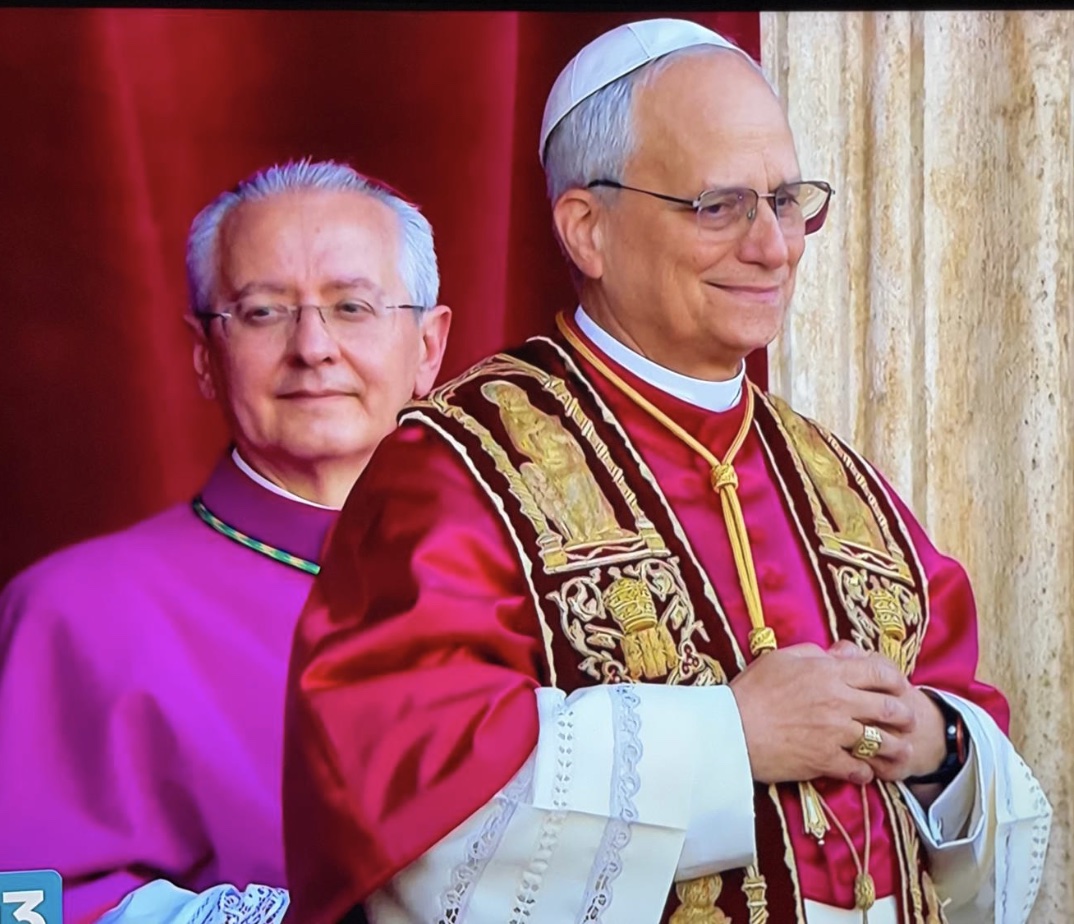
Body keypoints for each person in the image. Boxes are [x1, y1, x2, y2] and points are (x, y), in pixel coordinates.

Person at [282, 19, 1051, 924]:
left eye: (790, 199)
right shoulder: (458, 474)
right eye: (719, 206)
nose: (774, 246)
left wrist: (939, 746)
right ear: (588, 230)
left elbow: (978, 757)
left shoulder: (841, 483)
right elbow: (404, 820)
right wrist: (730, 739)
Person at [0, 158, 451, 924]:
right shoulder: (70, 613)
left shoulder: (521, 577)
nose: (313, 348)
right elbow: (22, 900)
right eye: (264, 311)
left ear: (428, 349)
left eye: (352, 307)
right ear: (206, 357)